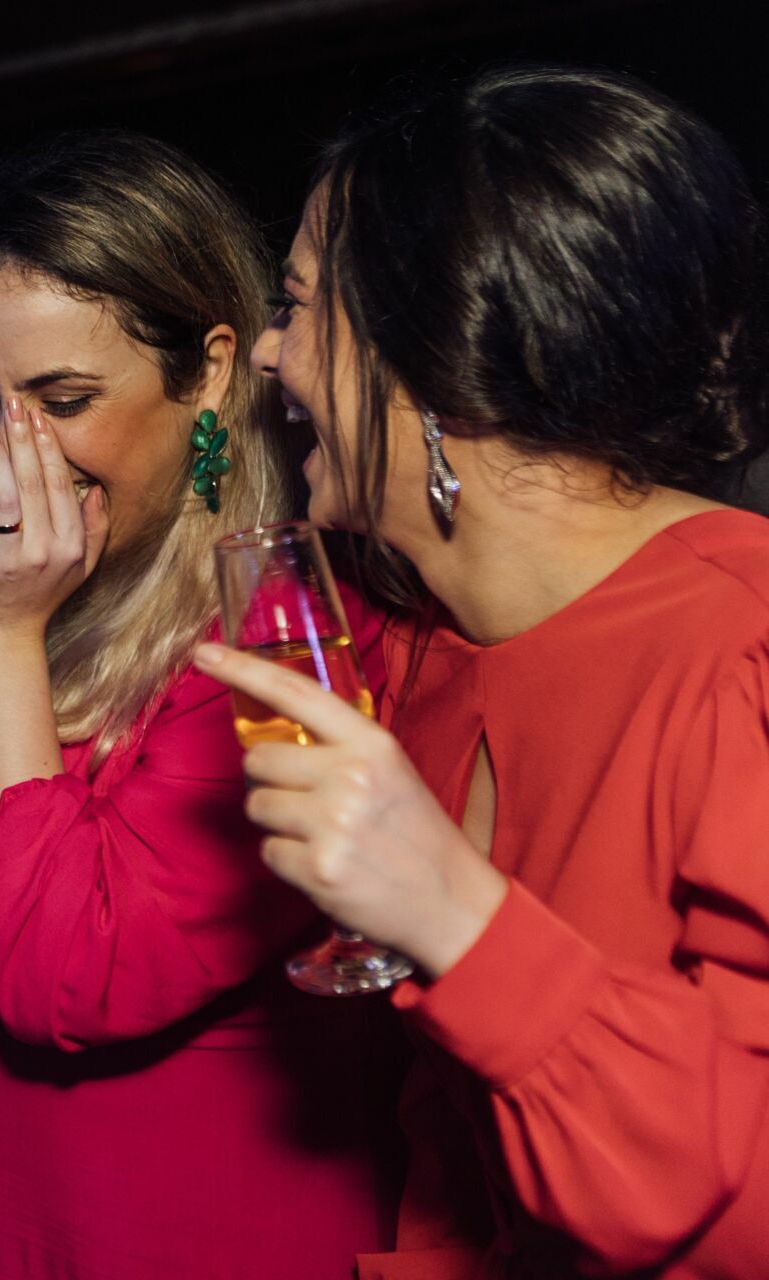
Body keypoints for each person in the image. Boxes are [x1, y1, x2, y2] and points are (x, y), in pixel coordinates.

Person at [0, 130, 405, 1277]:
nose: (11, 448)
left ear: (209, 372)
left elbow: (63, 969)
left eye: (63, 397)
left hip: (196, 1225)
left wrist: (1, 631)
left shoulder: (285, 622)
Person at [198, 66, 769, 1278]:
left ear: (431, 355)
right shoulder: (426, 655)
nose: (267, 353)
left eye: (296, 306)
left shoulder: (744, 645)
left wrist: (462, 918)